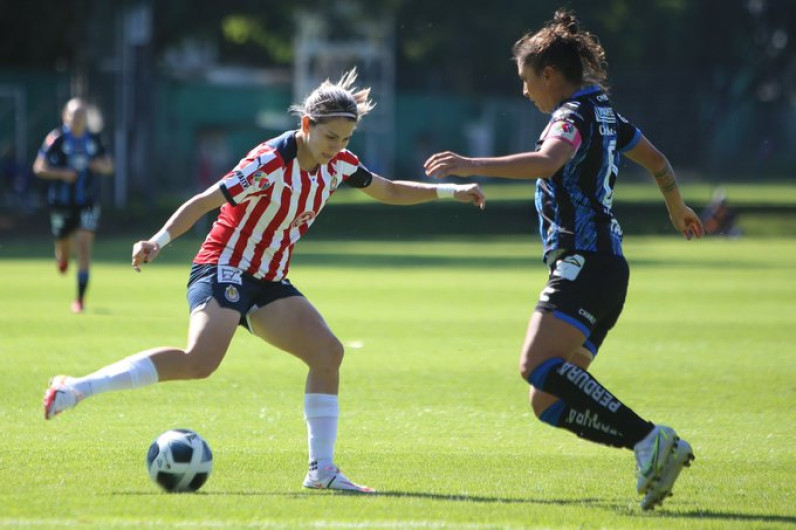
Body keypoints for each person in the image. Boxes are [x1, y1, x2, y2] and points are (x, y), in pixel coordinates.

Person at [43, 69, 486, 493]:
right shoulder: (270, 161)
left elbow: (388, 190)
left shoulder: (340, 164)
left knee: (327, 353)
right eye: (331, 136)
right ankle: (77, 388)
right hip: (223, 268)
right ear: (307, 124)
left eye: (346, 139)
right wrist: (157, 241)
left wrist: (454, 190)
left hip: (269, 280)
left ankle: (322, 471)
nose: (338, 147)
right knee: (200, 361)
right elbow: (203, 201)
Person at [424, 9, 704, 510]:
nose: (526, 91)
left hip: (584, 261)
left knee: (535, 365)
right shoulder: (607, 113)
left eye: (527, 81)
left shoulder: (571, 116)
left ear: (549, 75)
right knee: (548, 400)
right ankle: (650, 448)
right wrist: (676, 207)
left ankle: (648, 439)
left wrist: (470, 165)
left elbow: (548, 161)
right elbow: (659, 163)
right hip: (608, 270)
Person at [33, 98, 114, 313]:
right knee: (63, 249)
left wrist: (99, 166)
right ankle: (62, 258)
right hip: (61, 203)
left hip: (87, 202)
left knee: (85, 247)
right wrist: (62, 173)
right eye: (74, 114)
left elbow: (109, 166)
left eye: (82, 114)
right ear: (65, 116)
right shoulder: (56, 139)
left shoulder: (95, 140)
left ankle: (79, 300)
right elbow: (39, 167)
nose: (78, 118)